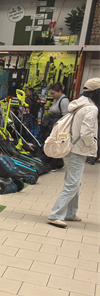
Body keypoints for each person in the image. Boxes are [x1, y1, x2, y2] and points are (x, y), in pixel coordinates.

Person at [47, 78, 100, 228]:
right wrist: (93, 145)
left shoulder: (78, 104)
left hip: (70, 147)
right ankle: (55, 215)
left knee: (74, 182)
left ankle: (70, 213)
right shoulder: (91, 108)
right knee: (72, 183)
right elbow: (86, 133)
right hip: (77, 149)